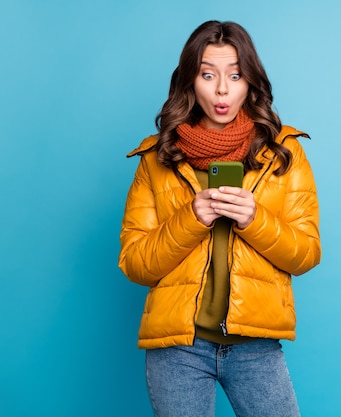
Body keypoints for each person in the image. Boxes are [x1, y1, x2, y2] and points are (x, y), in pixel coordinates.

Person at [118, 20, 321, 417]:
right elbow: (136, 264)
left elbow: (306, 254)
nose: (223, 90)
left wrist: (255, 219)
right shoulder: (155, 159)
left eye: (235, 75)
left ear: (251, 82)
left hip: (255, 347)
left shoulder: (284, 154)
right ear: (191, 81)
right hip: (176, 349)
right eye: (208, 75)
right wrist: (191, 217)